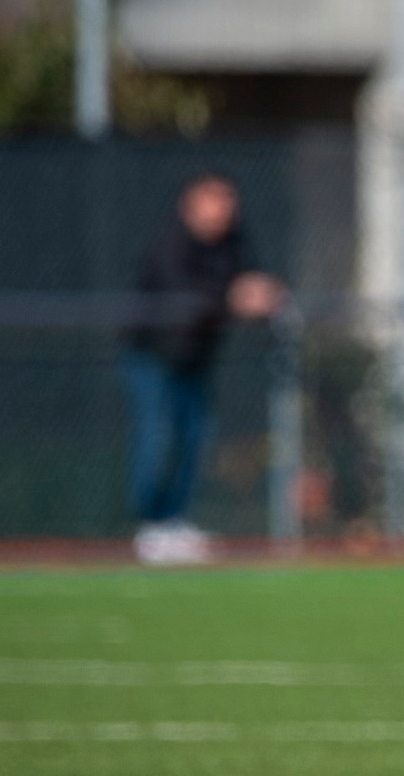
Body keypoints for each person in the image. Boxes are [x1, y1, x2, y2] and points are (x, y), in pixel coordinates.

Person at [120, 173, 283, 565]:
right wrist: (232, 298)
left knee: (194, 440)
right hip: (154, 358)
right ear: (190, 205)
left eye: (228, 203)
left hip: (197, 360)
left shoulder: (233, 243)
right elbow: (189, 298)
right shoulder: (169, 245)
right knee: (158, 438)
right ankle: (151, 524)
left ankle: (176, 522)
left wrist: (262, 291)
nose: (221, 213)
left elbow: (249, 282)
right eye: (213, 202)